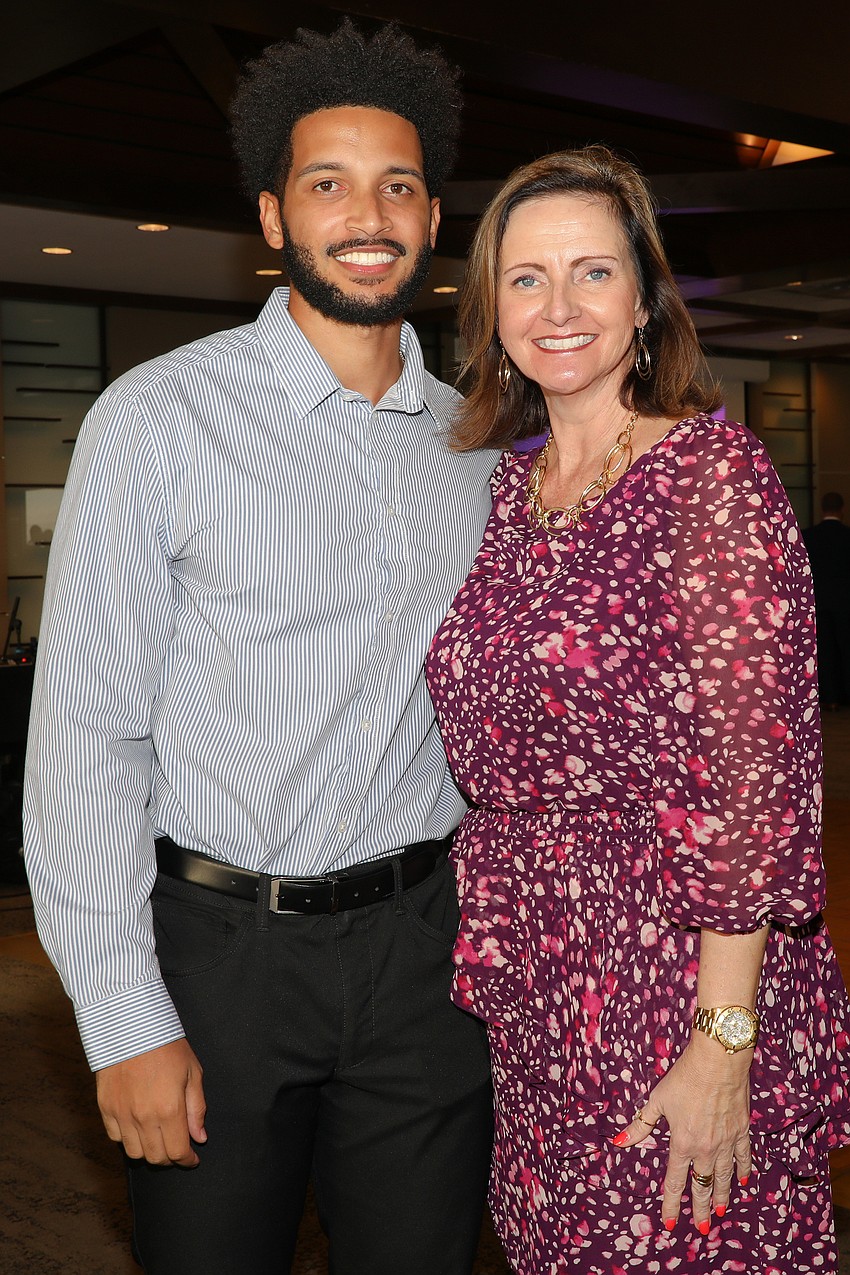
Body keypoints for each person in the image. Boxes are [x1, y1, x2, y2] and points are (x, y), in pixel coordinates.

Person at [23, 21, 496, 1275]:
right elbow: (89, 734)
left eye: (397, 185)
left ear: (431, 217)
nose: (367, 215)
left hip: (429, 955)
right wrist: (123, 1015)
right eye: (328, 184)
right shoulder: (157, 419)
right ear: (275, 217)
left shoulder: (477, 446)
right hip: (220, 958)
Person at [425, 145, 850, 1274]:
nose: (558, 306)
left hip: (674, 976)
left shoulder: (712, 478)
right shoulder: (508, 492)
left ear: (647, 300)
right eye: (526, 278)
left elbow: (753, 789)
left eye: (593, 272)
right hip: (539, 978)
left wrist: (722, 1044)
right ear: (492, 310)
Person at [803, 491, 850, 710]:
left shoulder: (808, 537)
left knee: (824, 650)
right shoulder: (847, 536)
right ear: (842, 510)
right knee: (846, 649)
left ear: (822, 509)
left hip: (818, 601)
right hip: (845, 602)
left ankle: (829, 697)